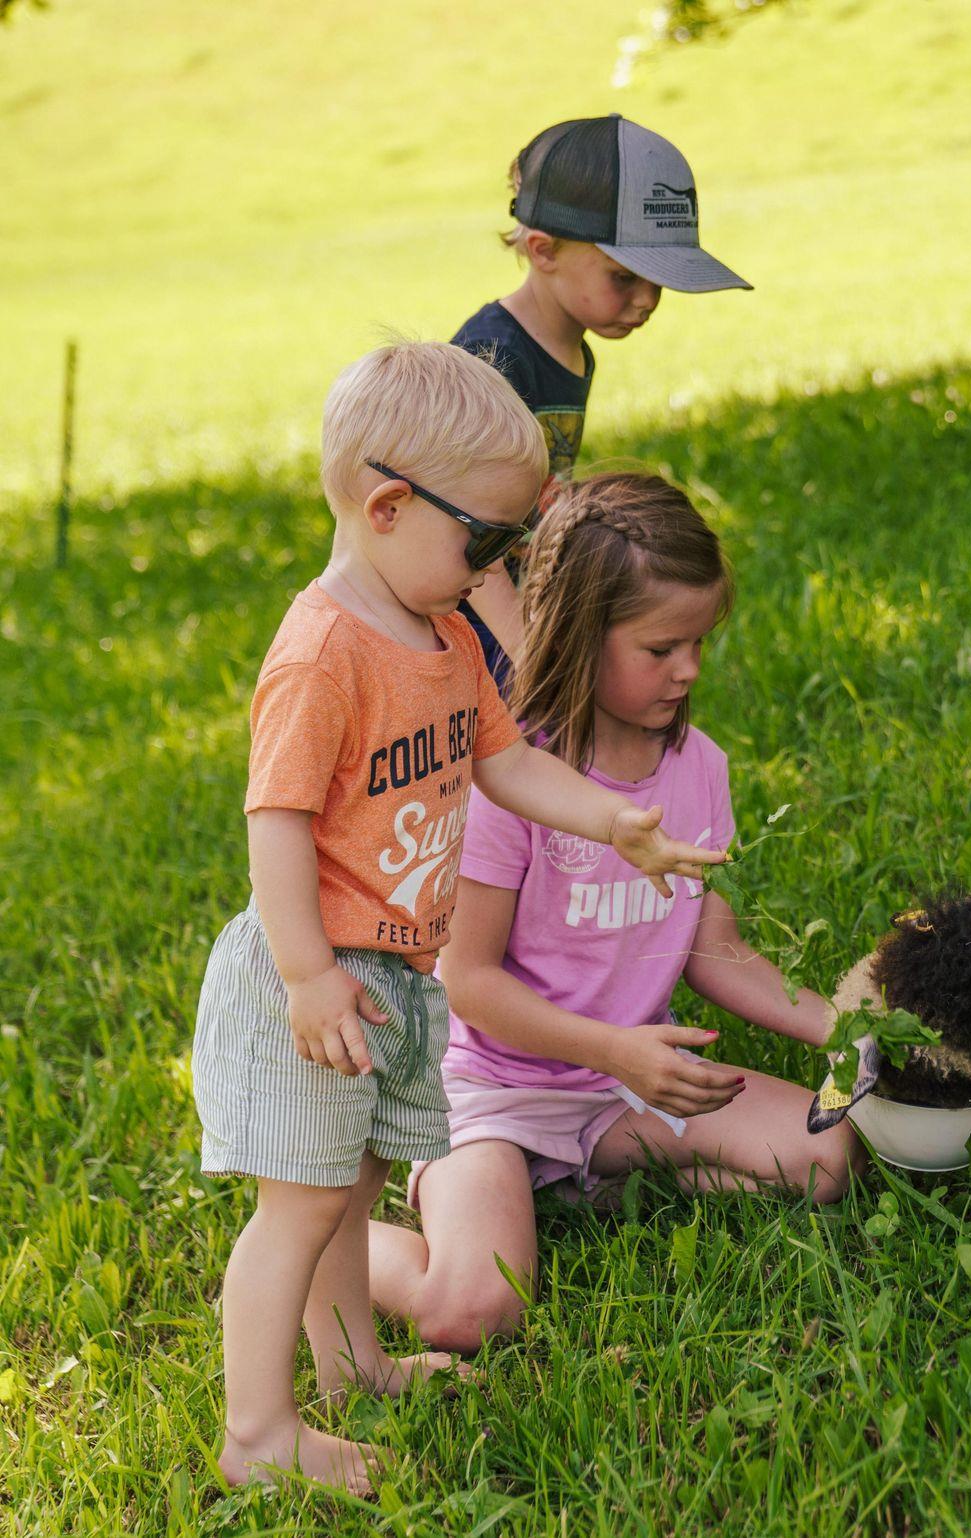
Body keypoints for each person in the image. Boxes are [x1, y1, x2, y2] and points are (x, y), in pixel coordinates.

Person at [190, 343, 726, 1494]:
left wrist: (615, 819)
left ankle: (352, 1370)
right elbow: (275, 820)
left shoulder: (440, 639)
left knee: (353, 1188)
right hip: (317, 973)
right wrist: (306, 974)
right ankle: (257, 1430)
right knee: (301, 1203)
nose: (498, 573)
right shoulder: (323, 651)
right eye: (486, 545)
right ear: (388, 507)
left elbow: (506, 763)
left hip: (391, 971)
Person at [367, 472, 861, 1354]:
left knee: (826, 1159)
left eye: (700, 642)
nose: (690, 669)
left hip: (625, 1090)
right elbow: (468, 982)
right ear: (578, 636)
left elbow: (714, 946)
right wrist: (613, 1049)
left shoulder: (700, 767)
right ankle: (320, 1248)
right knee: (473, 1312)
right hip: (496, 1092)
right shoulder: (513, 779)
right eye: (661, 647)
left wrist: (841, 1028)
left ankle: (583, 1181)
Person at [453, 114, 751, 694]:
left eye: (657, 281)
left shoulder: (573, 350)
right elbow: (463, 534)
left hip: (523, 606)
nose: (647, 301)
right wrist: (529, 653)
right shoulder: (493, 359)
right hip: (472, 623)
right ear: (544, 251)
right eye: (624, 278)